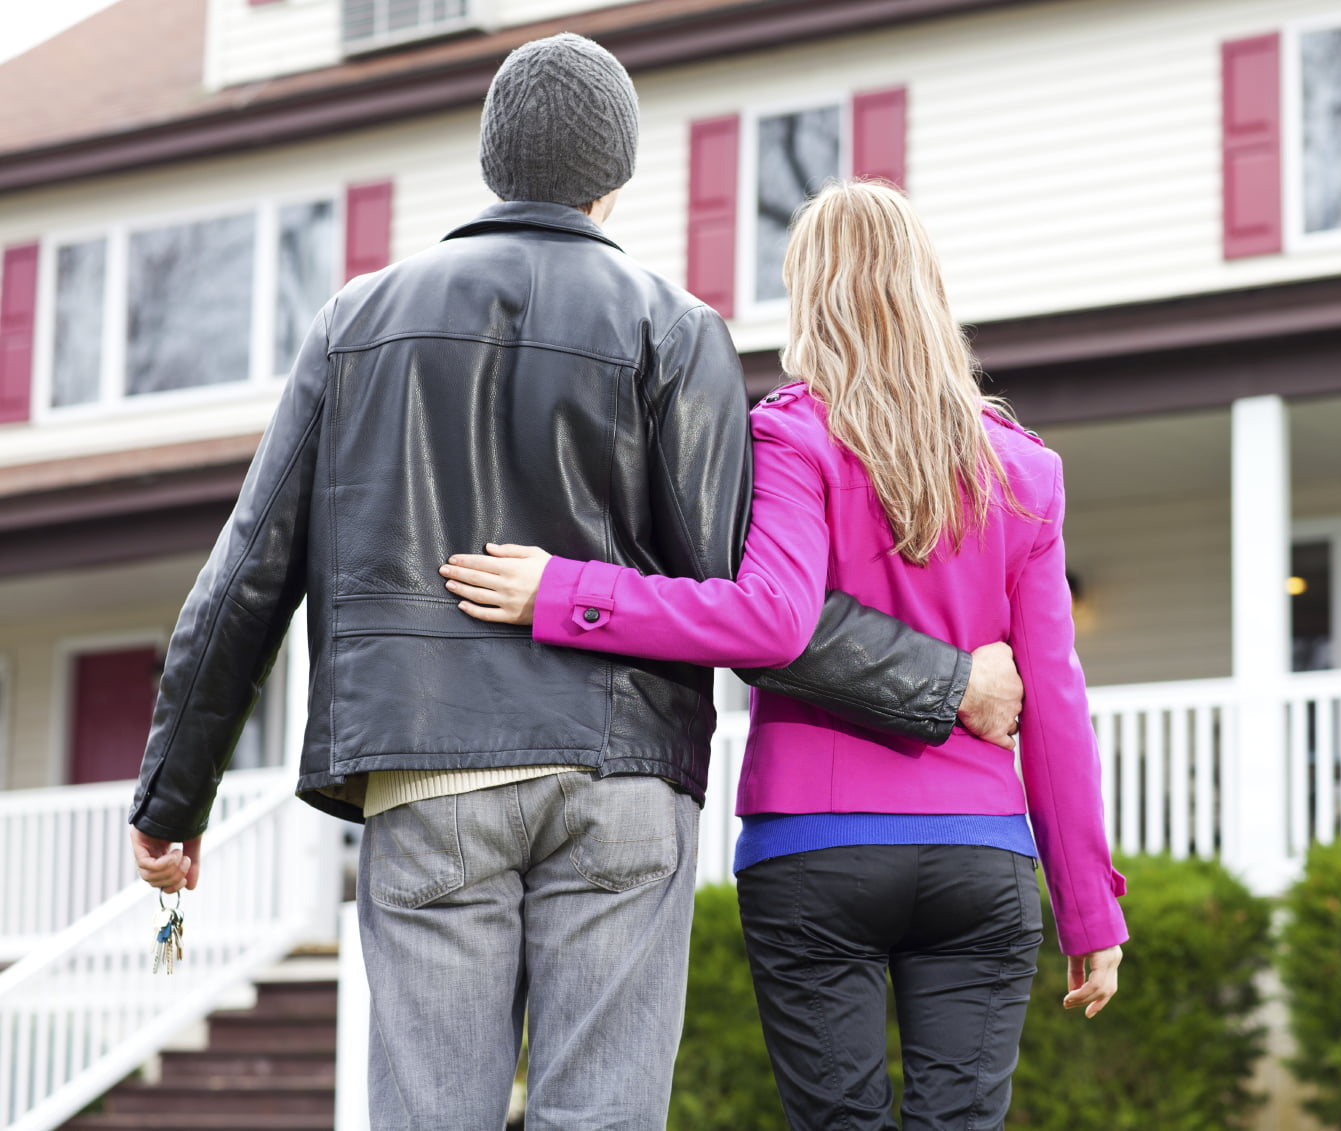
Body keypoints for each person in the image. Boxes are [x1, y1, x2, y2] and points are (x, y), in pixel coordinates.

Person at [127, 34, 1024, 1131]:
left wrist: (174, 796)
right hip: (624, 774)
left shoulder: (356, 323)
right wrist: (947, 684)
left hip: (427, 767)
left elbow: (245, 575)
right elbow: (747, 599)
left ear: (494, 162)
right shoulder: (677, 327)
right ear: (619, 175)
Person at [442, 179, 1129, 1131]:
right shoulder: (1021, 469)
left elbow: (768, 620)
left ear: (812, 298)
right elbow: (1054, 700)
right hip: (981, 853)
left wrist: (564, 590)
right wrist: (1090, 911)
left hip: (815, 846)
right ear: (929, 292)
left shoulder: (791, 435)